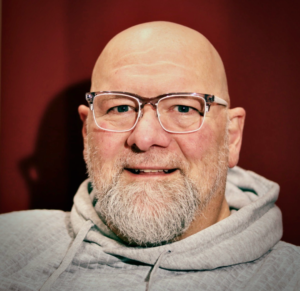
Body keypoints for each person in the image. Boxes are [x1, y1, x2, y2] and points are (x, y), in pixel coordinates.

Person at [0, 21, 299, 291]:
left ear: (231, 137)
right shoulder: (8, 244)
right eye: (119, 108)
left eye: (183, 108)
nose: (144, 139)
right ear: (87, 133)